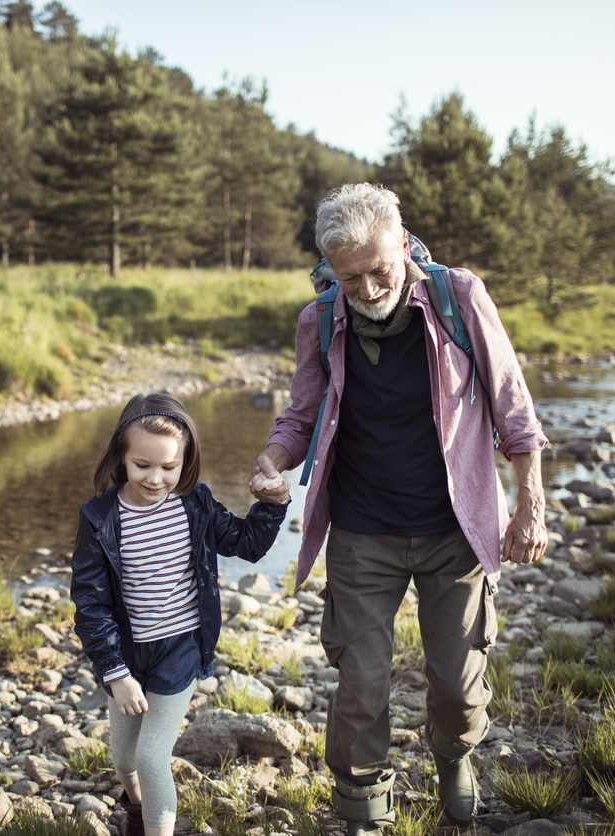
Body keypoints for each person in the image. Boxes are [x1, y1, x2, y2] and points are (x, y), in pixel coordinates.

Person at [249, 184, 548, 834]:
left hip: (455, 530)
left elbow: (512, 403)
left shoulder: (458, 296)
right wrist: (274, 460)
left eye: (378, 269)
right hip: (362, 531)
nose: (365, 286)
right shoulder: (321, 318)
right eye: (346, 276)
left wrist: (531, 503)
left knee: (457, 687)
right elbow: (301, 412)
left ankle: (454, 755)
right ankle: (363, 812)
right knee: (359, 682)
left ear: (401, 239)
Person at [72, 393, 291, 836]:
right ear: (122, 457)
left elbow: (247, 545)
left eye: (169, 468)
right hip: (128, 654)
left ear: (186, 462)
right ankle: (136, 808)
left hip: (180, 649)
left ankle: (156, 826)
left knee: (153, 758)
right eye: (143, 466)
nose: (156, 479)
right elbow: (91, 604)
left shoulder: (195, 504)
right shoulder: (100, 518)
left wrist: (272, 505)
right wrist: (115, 671)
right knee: (124, 759)